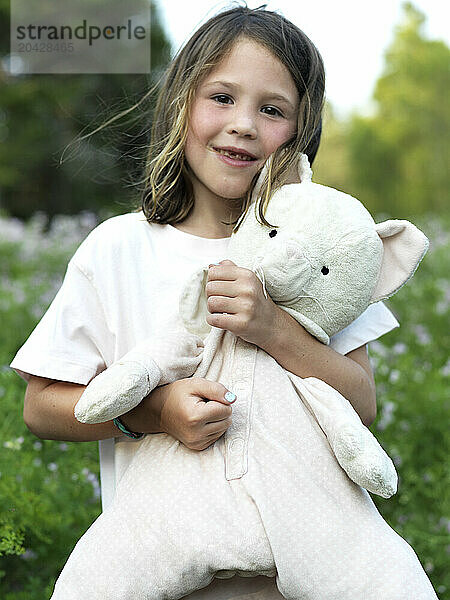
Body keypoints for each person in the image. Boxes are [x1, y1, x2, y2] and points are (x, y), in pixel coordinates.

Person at [10, 6, 437, 600]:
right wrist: (156, 412)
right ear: (182, 103)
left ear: (301, 131)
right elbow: (40, 405)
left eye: (272, 109)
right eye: (221, 97)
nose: (242, 125)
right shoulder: (118, 249)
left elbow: (361, 403)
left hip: (305, 583)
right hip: (160, 575)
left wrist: (275, 328)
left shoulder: (325, 255)